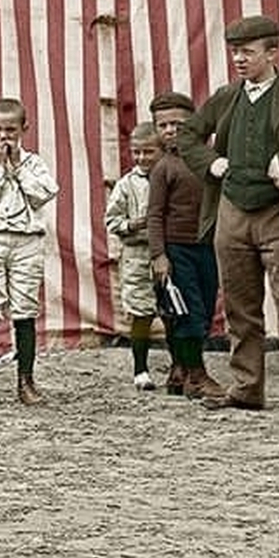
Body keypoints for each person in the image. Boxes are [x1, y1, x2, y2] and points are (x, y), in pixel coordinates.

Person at [177, 15, 279, 424]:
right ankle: (247, 388)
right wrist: (212, 164)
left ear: (272, 52)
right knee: (239, 308)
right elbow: (188, 136)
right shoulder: (225, 97)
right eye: (235, 51)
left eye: (247, 52)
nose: (238, 59)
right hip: (232, 212)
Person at [0, 96, 59, 408]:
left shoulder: (34, 164)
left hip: (26, 241)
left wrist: (17, 168)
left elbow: (43, 194)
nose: (4, 137)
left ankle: (26, 382)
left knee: (25, 310)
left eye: (11, 130)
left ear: (24, 129)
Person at [145, 90, 225, 401]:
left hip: (207, 246)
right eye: (162, 125)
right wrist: (159, 255)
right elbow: (154, 216)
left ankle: (179, 369)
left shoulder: (209, 161)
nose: (169, 131)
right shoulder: (164, 168)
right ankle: (197, 376)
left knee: (203, 310)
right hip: (176, 252)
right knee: (185, 311)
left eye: (177, 123)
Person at [104, 121, 162, 391]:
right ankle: (140, 369)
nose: (141, 158)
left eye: (148, 152)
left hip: (169, 254)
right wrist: (131, 225)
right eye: (136, 152)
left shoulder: (171, 176)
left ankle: (181, 368)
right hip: (137, 255)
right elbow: (112, 220)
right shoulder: (127, 184)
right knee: (141, 311)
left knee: (174, 310)